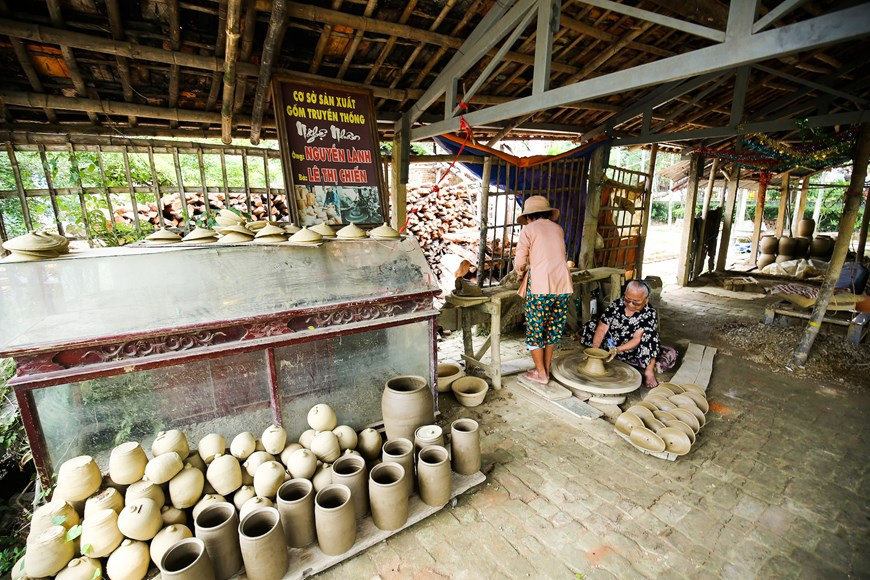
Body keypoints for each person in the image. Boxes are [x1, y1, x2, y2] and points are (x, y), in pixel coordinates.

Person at [513, 196, 573, 385]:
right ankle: (544, 369)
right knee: (552, 329)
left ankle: (541, 374)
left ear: (529, 216)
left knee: (536, 329)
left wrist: (519, 274)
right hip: (563, 285)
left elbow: (520, 261)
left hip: (540, 286)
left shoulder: (528, 229)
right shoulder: (558, 228)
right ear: (547, 213)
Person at [580, 280, 661, 387]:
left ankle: (649, 371)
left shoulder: (649, 313)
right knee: (592, 324)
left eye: (636, 302)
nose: (631, 304)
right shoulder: (617, 304)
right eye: (628, 299)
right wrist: (595, 348)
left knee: (651, 336)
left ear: (646, 300)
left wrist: (617, 350)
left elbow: (637, 339)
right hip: (609, 346)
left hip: (631, 350)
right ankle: (595, 354)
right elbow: (602, 328)